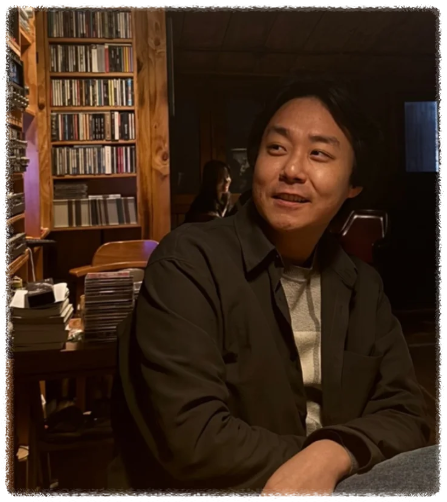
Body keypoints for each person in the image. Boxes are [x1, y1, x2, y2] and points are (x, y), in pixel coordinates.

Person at [109, 77, 436, 494]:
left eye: (318, 154)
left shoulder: (362, 286)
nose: (292, 170)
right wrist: (325, 461)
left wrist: (334, 454)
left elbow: (407, 413)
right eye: (276, 148)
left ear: (353, 184)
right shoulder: (188, 263)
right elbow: (192, 438)